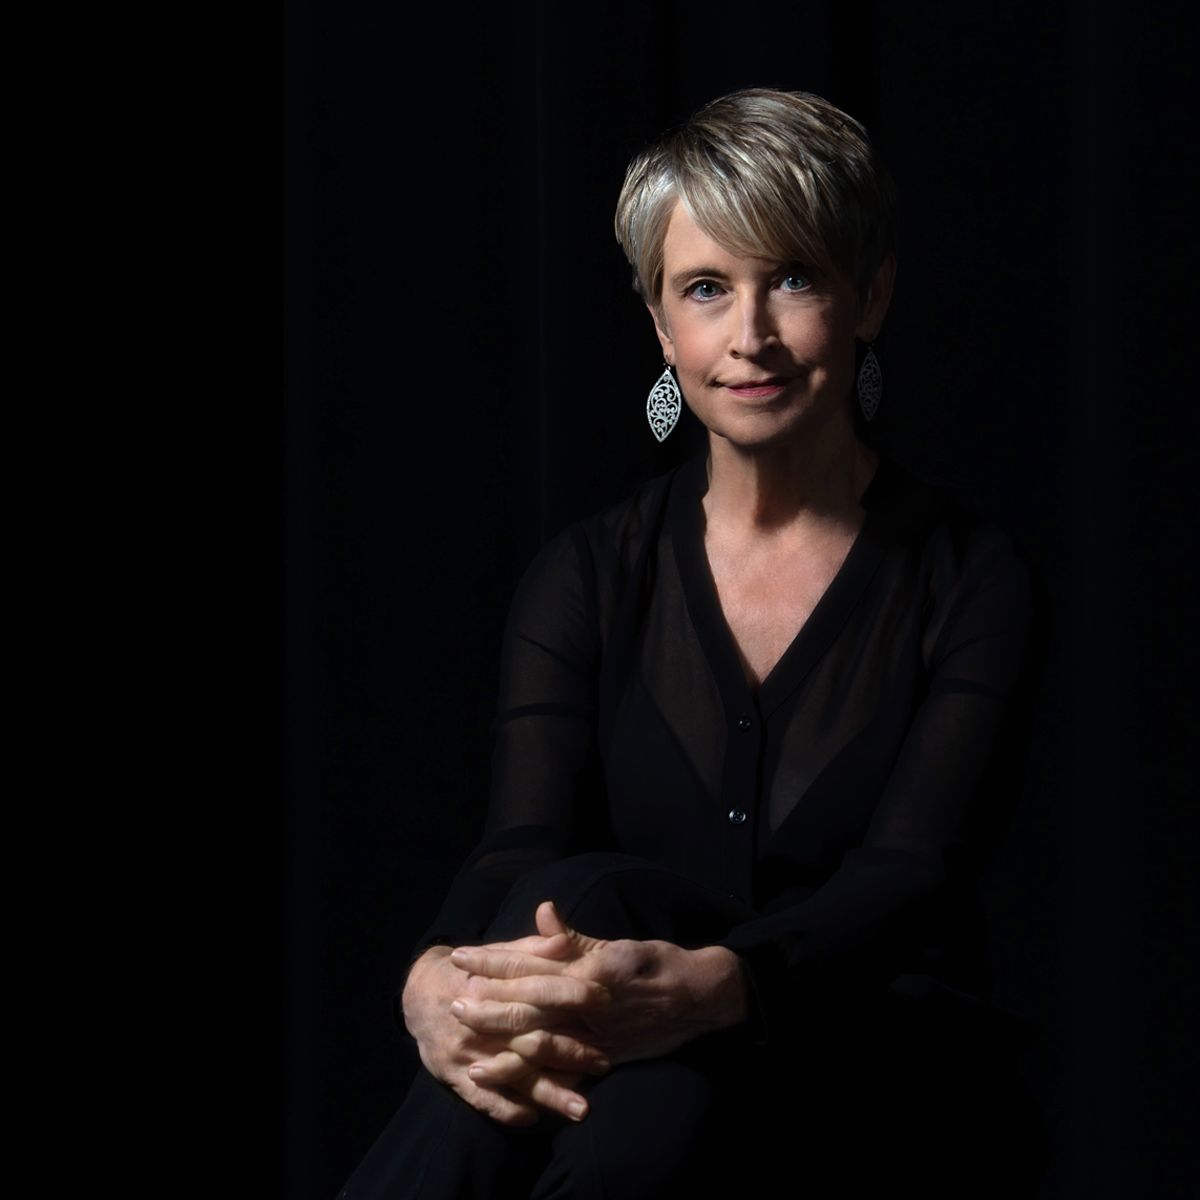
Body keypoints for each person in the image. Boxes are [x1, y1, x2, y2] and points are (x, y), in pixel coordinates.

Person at [340, 88, 1043, 1199]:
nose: (750, 336)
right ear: (663, 327)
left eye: (794, 280)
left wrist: (720, 986)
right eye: (707, 289)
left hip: (876, 1064)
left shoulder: (969, 577)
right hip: (637, 1057)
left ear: (871, 296)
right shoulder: (586, 575)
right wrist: (435, 981)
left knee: (599, 929)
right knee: (626, 1090)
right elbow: (518, 847)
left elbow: (910, 879)